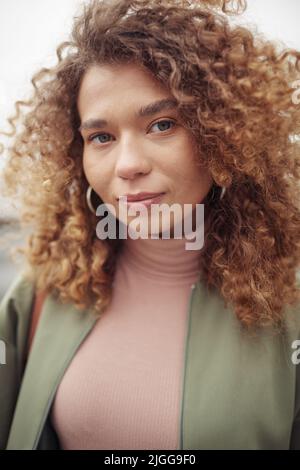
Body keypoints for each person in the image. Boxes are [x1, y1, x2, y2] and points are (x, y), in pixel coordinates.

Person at [0, 0, 300, 450]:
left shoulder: (289, 306)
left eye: (162, 125)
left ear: (224, 135)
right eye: (101, 137)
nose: (128, 165)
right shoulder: (44, 291)